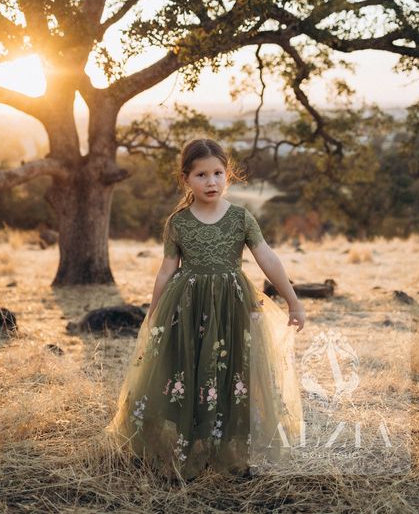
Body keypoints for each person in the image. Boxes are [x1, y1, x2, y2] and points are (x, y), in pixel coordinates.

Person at [104, 138, 305, 480]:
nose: (211, 182)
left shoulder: (241, 218)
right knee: (190, 370)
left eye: (217, 173)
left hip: (232, 307)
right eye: (201, 175)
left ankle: (230, 450)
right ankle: (188, 447)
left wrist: (293, 300)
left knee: (230, 374)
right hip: (187, 307)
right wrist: (154, 314)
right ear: (186, 179)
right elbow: (167, 269)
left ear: (228, 175)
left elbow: (267, 258)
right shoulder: (178, 223)